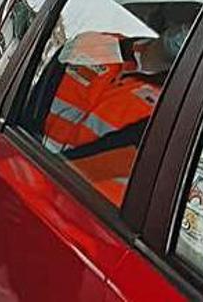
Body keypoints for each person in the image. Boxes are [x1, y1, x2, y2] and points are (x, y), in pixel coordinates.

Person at [41, 14, 193, 205]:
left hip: (80, 209)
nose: (189, 31)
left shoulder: (176, 112)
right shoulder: (91, 43)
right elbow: (30, 102)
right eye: (192, 17)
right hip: (21, 172)